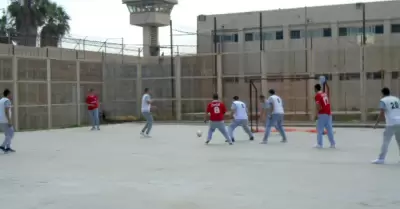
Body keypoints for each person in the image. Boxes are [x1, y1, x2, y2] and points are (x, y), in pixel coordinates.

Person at [371, 87, 400, 164]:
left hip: (391, 123)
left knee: (386, 141)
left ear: (382, 94)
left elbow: (382, 113)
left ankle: (381, 159)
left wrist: (376, 124)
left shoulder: (383, 100)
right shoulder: (397, 99)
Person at [314, 84, 335, 148]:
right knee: (329, 130)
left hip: (322, 114)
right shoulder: (324, 94)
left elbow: (318, 106)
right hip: (329, 113)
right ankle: (332, 143)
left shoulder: (317, 95)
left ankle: (319, 144)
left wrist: (317, 114)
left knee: (319, 129)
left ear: (316, 89)